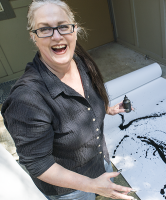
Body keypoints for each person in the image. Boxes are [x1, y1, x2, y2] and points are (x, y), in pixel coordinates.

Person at [1, 0, 135, 199]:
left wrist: (106, 108)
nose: (57, 36)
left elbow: (86, 98)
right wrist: (93, 186)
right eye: (45, 29)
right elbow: (39, 164)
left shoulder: (80, 61)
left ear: (75, 30)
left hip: (100, 164)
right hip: (71, 191)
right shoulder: (26, 100)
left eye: (63, 26)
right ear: (33, 37)